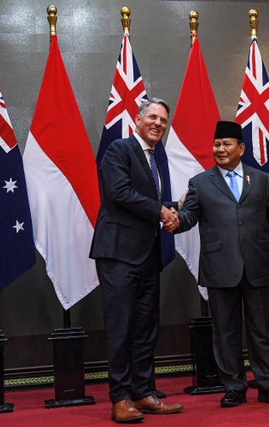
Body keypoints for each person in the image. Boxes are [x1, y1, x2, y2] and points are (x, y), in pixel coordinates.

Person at [171, 121, 269, 408]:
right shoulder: (200, 182)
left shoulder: (261, 179)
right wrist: (175, 218)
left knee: (262, 329)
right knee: (224, 332)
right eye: (217, 144)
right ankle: (234, 387)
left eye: (226, 144)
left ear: (241, 148)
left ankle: (268, 385)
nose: (220, 149)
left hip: (257, 264)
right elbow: (188, 216)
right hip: (219, 267)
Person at [90, 98, 182, 423]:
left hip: (147, 256)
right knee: (121, 329)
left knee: (146, 329)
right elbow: (119, 193)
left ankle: (143, 393)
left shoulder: (157, 159)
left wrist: (174, 207)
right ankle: (120, 398)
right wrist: (160, 209)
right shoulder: (119, 150)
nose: (158, 123)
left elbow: (148, 200)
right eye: (153, 117)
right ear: (138, 119)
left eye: (163, 120)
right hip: (118, 254)